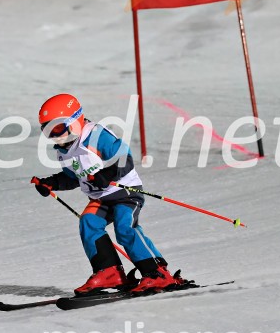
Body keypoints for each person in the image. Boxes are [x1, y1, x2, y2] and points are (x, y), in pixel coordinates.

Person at [31, 93, 185, 296]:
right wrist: (51, 183)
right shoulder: (64, 150)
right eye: (48, 131)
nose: (55, 135)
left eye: (58, 128)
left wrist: (106, 175)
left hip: (124, 193)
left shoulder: (95, 135)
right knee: (88, 222)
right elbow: (73, 177)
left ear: (74, 120)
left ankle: (156, 273)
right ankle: (110, 272)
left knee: (125, 228)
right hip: (100, 198)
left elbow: (124, 158)